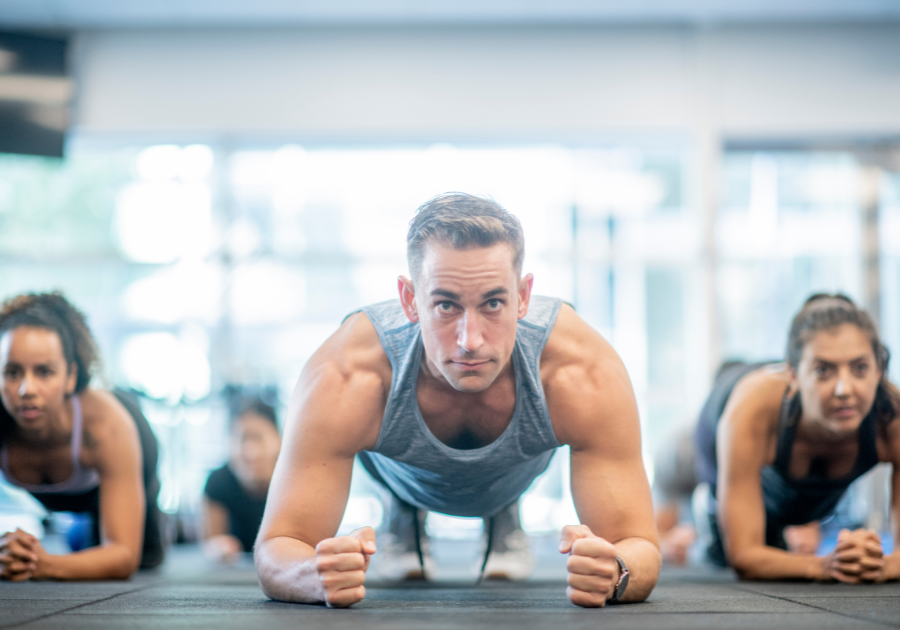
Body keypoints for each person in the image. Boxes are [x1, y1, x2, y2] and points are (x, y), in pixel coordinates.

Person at [255, 193, 660, 608]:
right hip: (401, 470)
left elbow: (639, 545)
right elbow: (279, 547)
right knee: (378, 445)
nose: (470, 341)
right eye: (446, 304)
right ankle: (402, 507)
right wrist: (312, 575)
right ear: (411, 300)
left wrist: (616, 573)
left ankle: (504, 509)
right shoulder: (347, 374)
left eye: (493, 303)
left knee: (524, 449)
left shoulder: (581, 372)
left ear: (523, 296)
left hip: (515, 470)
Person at [695, 294, 900, 581]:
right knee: (731, 549)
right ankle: (709, 510)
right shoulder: (751, 409)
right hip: (723, 414)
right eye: (824, 370)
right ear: (790, 373)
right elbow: (744, 555)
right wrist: (824, 566)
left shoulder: (891, 417)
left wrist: (876, 563)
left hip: (802, 477)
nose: (844, 389)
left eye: (860, 368)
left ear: (879, 368)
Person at [0, 292, 164, 581]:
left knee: (143, 561)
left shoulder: (107, 426)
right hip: (65, 499)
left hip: (129, 453)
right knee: (84, 544)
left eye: (44, 372)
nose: (26, 389)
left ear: (71, 376)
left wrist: (43, 565)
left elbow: (123, 556)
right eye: (12, 372)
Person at [202, 399, 281, 563]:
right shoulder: (218, 481)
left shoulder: (295, 480)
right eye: (241, 439)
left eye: (258, 438)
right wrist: (218, 547)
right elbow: (211, 542)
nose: (250, 452)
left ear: (279, 440)